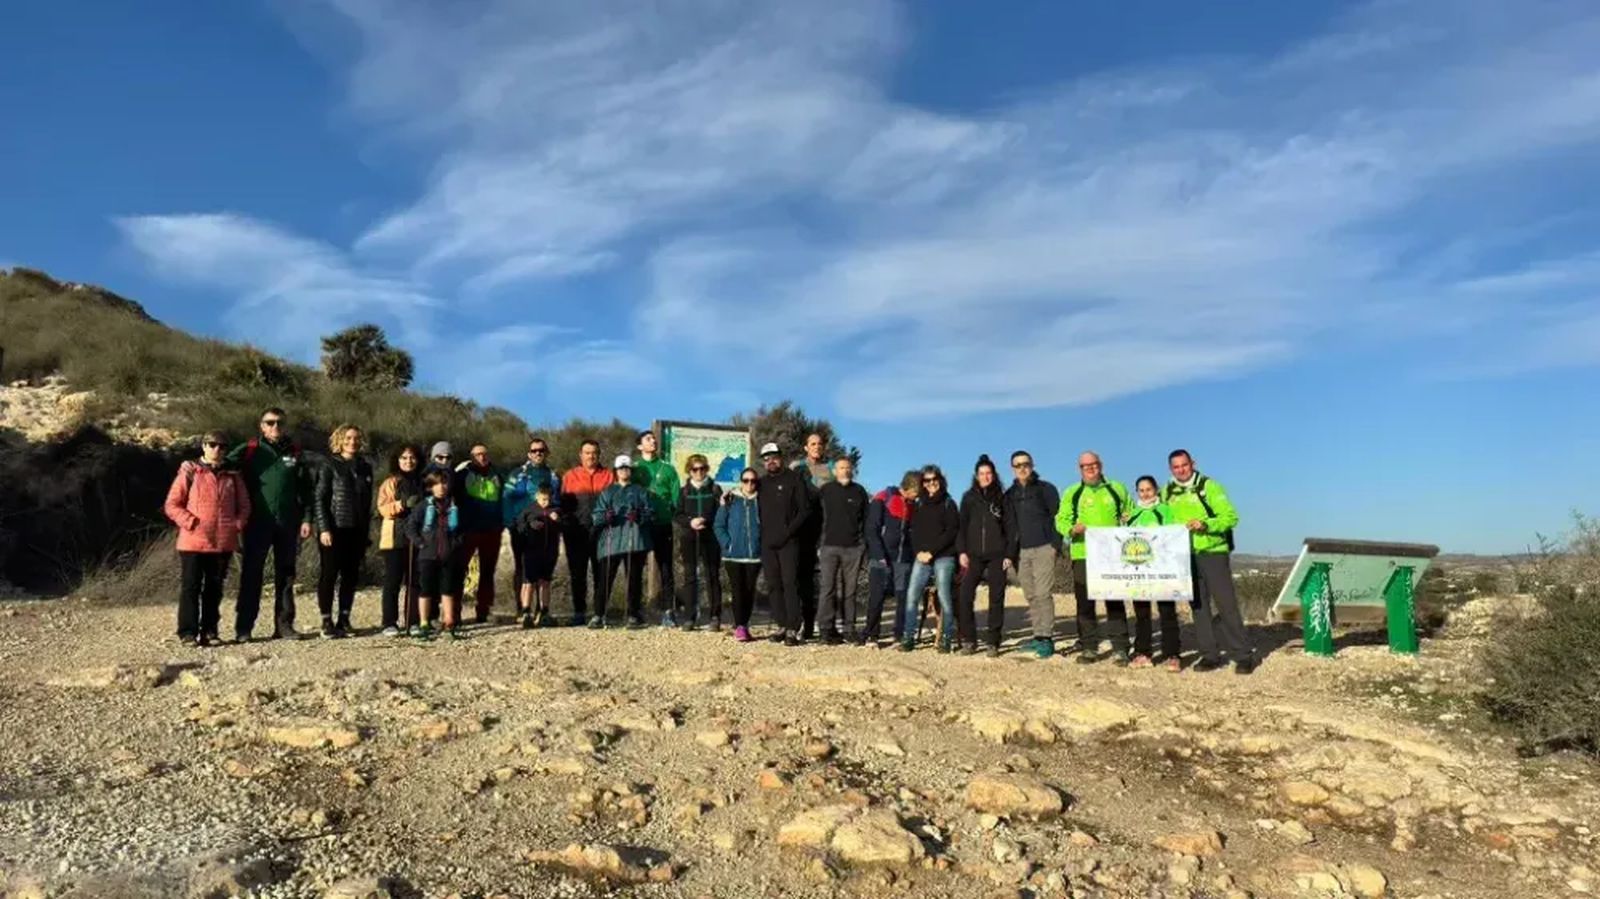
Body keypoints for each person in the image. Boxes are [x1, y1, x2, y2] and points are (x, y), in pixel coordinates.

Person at [1163, 450, 1255, 674]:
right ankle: (1209, 655)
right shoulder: (1167, 492)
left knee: (1226, 604)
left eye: (1184, 465)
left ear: (1192, 463)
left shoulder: (1210, 487)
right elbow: (1160, 518)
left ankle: (1242, 655)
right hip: (1185, 556)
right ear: (1170, 469)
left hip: (1213, 552)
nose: (1181, 470)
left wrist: (1205, 525)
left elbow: (1230, 517)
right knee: (1198, 606)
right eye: (1176, 467)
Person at [229, 407, 313, 642]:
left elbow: (305, 489)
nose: (275, 427)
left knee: (286, 575)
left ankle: (284, 626)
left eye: (280, 423)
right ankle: (244, 628)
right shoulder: (250, 449)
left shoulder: (294, 452)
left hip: (288, 522)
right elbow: (222, 464)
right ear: (261, 425)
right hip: (257, 522)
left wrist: (307, 519)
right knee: (251, 574)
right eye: (270, 422)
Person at [164, 431, 250, 647]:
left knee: (214, 588)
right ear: (203, 446)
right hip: (193, 542)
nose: (217, 450)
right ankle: (188, 632)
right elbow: (172, 504)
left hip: (222, 542)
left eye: (222, 446)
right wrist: (191, 522)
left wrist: (236, 525)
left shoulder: (233, 475)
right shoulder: (190, 472)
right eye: (212, 445)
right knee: (190, 587)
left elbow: (245, 506)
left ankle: (210, 630)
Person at [1055, 451, 1132, 664]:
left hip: (1113, 556)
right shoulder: (1073, 492)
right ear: (1079, 469)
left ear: (1101, 465)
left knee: (1114, 601)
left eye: (1094, 464)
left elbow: (1132, 515)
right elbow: (1061, 520)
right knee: (1085, 603)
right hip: (1083, 554)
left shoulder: (1117, 489)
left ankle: (1120, 647)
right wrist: (1071, 529)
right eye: (1085, 466)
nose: (1090, 468)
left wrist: (1129, 519)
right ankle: (1089, 647)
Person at [312, 424, 374, 639]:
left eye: (356, 438)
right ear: (339, 440)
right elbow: (319, 498)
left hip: (356, 530)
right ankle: (326, 621)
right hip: (334, 528)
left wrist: (366, 532)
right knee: (329, 575)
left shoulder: (365, 467)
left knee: (351, 576)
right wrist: (324, 528)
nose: (352, 442)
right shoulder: (329, 464)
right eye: (348, 438)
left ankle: (344, 619)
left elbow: (367, 503)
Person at [1004, 450, 1062, 659]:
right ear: (1013, 468)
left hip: (1044, 547)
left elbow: (1059, 516)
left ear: (1032, 464)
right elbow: (1009, 525)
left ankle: (1046, 638)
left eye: (1025, 464)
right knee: (1030, 594)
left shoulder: (1046, 489)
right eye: (1017, 465)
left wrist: (1056, 545)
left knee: (1043, 593)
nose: (1022, 468)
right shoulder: (1010, 494)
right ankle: (1038, 636)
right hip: (1022, 552)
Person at [1125, 475, 1181, 671]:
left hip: (1162, 571)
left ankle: (1172, 654)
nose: (1145, 493)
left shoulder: (1165, 510)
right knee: (1141, 613)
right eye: (1141, 490)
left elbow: (1173, 534)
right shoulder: (1132, 514)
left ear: (1155, 490)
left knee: (1167, 612)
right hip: (1139, 572)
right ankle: (1143, 653)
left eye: (1148, 489)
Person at [957, 455, 1011, 656]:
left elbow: (1010, 527)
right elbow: (961, 527)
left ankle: (993, 642)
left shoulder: (1002, 498)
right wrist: (962, 551)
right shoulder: (968, 498)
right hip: (973, 555)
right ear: (976, 476)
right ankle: (969, 640)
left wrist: (1009, 554)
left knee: (996, 597)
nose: (985, 476)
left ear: (994, 475)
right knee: (965, 595)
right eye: (982, 473)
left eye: (989, 473)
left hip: (998, 555)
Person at [758, 442, 810, 646]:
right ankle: (781, 625)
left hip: (789, 541)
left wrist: (788, 532)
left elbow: (804, 510)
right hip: (767, 542)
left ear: (781, 457)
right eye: (766, 458)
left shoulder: (794, 479)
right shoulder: (761, 483)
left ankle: (792, 628)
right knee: (773, 584)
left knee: (790, 584)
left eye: (774, 456)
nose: (771, 461)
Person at [592, 455, 653, 629]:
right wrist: (606, 517)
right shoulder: (608, 491)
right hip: (611, 541)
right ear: (616, 471)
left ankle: (633, 615)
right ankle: (598, 614)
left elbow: (650, 513)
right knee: (605, 579)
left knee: (634, 579)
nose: (624, 471)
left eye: (627, 468)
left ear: (631, 471)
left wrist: (639, 516)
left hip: (634, 541)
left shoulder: (641, 491)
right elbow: (596, 515)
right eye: (621, 468)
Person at [904, 465, 960, 652]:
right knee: (912, 595)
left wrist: (932, 552)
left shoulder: (949, 503)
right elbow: (914, 531)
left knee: (944, 596)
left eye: (934, 479)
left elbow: (951, 532)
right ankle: (908, 637)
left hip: (943, 556)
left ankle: (945, 638)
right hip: (922, 556)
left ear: (940, 480)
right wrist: (918, 552)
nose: (931, 483)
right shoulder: (919, 504)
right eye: (926, 480)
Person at [561, 439, 614, 626]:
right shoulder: (570, 476)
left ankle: (600, 613)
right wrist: (566, 525)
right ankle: (579, 612)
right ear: (580, 455)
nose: (591, 456)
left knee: (602, 574)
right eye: (587, 452)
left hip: (602, 532)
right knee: (577, 574)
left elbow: (614, 502)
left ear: (599, 455)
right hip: (576, 533)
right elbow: (563, 506)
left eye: (594, 453)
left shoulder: (609, 476)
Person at [863, 471, 919, 648]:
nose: (918, 496)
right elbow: (872, 529)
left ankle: (899, 635)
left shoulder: (913, 505)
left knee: (903, 597)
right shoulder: (883, 497)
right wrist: (879, 555)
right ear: (909, 487)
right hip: (881, 557)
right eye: (917, 492)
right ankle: (871, 635)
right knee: (877, 597)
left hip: (903, 559)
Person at [817, 457, 869, 644]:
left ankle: (849, 629)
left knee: (850, 591)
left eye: (848, 468)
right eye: (841, 468)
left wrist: (863, 546)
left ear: (852, 470)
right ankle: (825, 629)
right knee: (827, 589)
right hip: (829, 546)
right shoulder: (826, 491)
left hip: (853, 548)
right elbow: (817, 518)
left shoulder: (859, 491)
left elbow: (866, 520)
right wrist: (819, 544)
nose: (845, 471)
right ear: (834, 471)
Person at [503, 436, 561, 602]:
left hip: (546, 530)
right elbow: (507, 498)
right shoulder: (517, 474)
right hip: (522, 528)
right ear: (529, 454)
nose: (538, 453)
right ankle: (522, 609)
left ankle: (541, 611)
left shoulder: (553, 476)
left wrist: (556, 520)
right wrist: (510, 524)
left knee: (543, 570)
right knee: (522, 568)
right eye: (534, 451)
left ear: (547, 453)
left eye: (541, 450)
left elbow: (557, 501)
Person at [406, 470, 463, 640]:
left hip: (448, 555)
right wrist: (420, 543)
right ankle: (424, 623)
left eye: (444, 483)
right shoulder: (424, 506)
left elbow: (460, 530)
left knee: (448, 589)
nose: (441, 487)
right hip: (427, 555)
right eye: (437, 484)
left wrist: (456, 544)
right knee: (426, 590)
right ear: (430, 487)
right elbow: (410, 527)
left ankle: (449, 622)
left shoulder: (453, 505)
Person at [631, 431, 681, 626]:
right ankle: (635, 611)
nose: (653, 441)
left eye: (654, 438)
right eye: (648, 439)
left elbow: (676, 495)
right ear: (639, 446)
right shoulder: (634, 469)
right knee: (635, 568)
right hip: (641, 526)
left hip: (662, 524)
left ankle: (669, 611)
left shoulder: (668, 469)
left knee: (666, 568)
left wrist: (669, 511)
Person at [376, 443, 424, 636]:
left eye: (411, 458)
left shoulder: (424, 481)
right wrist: (402, 504)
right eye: (404, 458)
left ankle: (413, 621)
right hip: (394, 536)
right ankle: (389, 622)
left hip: (418, 536)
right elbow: (383, 508)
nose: (408, 461)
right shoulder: (390, 483)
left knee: (415, 581)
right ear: (397, 460)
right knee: (392, 581)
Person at [454, 444, 504, 624]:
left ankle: (484, 610)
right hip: (468, 529)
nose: (481, 457)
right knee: (460, 570)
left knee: (488, 571)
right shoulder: (462, 475)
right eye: (477, 455)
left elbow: (503, 498)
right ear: (471, 457)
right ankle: (455, 611)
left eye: (484, 454)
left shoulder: (497, 475)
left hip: (492, 530)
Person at [673, 454, 723, 630]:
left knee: (712, 576)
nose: (699, 472)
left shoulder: (715, 489)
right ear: (689, 471)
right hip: (689, 538)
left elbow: (721, 513)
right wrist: (690, 522)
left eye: (702, 468)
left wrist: (706, 520)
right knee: (690, 578)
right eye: (695, 469)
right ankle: (689, 617)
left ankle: (715, 616)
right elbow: (677, 514)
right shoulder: (684, 491)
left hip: (711, 538)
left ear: (707, 469)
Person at [714, 467, 762, 642]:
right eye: (746, 480)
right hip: (733, 555)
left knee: (749, 591)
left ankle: (745, 624)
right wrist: (728, 544)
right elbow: (718, 525)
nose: (750, 484)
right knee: (738, 590)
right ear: (741, 482)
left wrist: (762, 545)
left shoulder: (761, 501)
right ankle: (740, 626)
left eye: (753, 481)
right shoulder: (730, 500)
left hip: (754, 555)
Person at [791, 432, 830, 638]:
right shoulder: (796, 467)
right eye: (812, 444)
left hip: (820, 529)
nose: (816, 447)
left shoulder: (829, 470)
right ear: (806, 447)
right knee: (796, 578)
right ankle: (793, 624)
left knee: (814, 581)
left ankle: (810, 624)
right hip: (798, 529)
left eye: (819, 444)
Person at [513, 483, 563, 628]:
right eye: (542, 499)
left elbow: (564, 527)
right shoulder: (529, 510)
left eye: (548, 500)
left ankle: (544, 612)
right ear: (536, 497)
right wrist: (530, 525)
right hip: (531, 552)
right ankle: (526, 612)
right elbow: (519, 526)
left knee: (545, 582)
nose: (545, 503)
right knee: (529, 583)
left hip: (550, 552)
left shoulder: (556, 510)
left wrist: (558, 520)